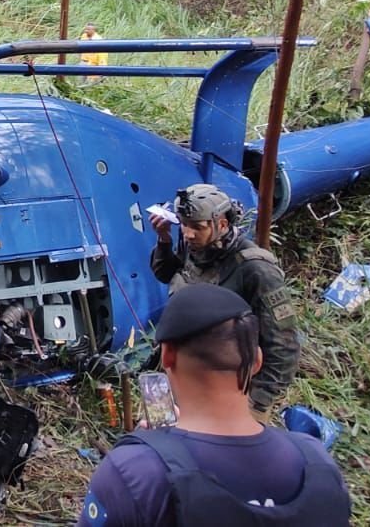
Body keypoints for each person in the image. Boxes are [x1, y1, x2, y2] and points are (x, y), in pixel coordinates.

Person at [76, 284, 351, 527]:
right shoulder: (317, 462)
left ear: (167, 355)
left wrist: (149, 453)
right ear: (256, 361)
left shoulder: (136, 473)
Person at [149, 184, 299, 418]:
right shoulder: (196, 246)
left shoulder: (256, 270)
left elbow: (283, 346)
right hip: (184, 372)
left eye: (197, 227)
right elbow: (167, 274)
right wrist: (164, 241)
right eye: (184, 225)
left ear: (221, 224)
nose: (188, 234)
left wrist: (256, 405)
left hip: (228, 388)